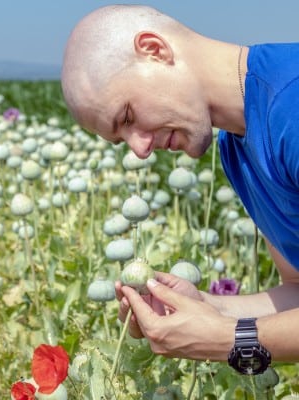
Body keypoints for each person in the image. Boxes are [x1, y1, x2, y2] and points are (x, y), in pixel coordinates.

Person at [61, 4, 299, 373]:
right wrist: (204, 307)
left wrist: (230, 339)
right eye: (121, 139)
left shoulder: (292, 105)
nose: (140, 149)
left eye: (127, 117)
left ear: (155, 50)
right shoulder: (238, 146)